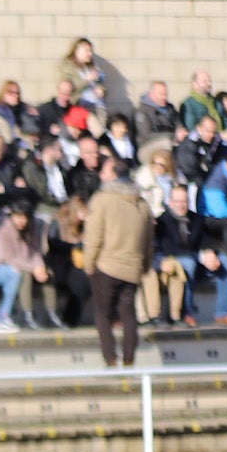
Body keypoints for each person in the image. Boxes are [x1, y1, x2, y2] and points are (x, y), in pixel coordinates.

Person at [78, 158, 150, 369]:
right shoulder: (141, 203)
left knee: (103, 314)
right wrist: (144, 265)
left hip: (106, 265)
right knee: (129, 314)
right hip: (133, 266)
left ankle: (110, 358)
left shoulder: (102, 200)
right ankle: (129, 358)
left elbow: (94, 234)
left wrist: (88, 262)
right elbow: (148, 239)